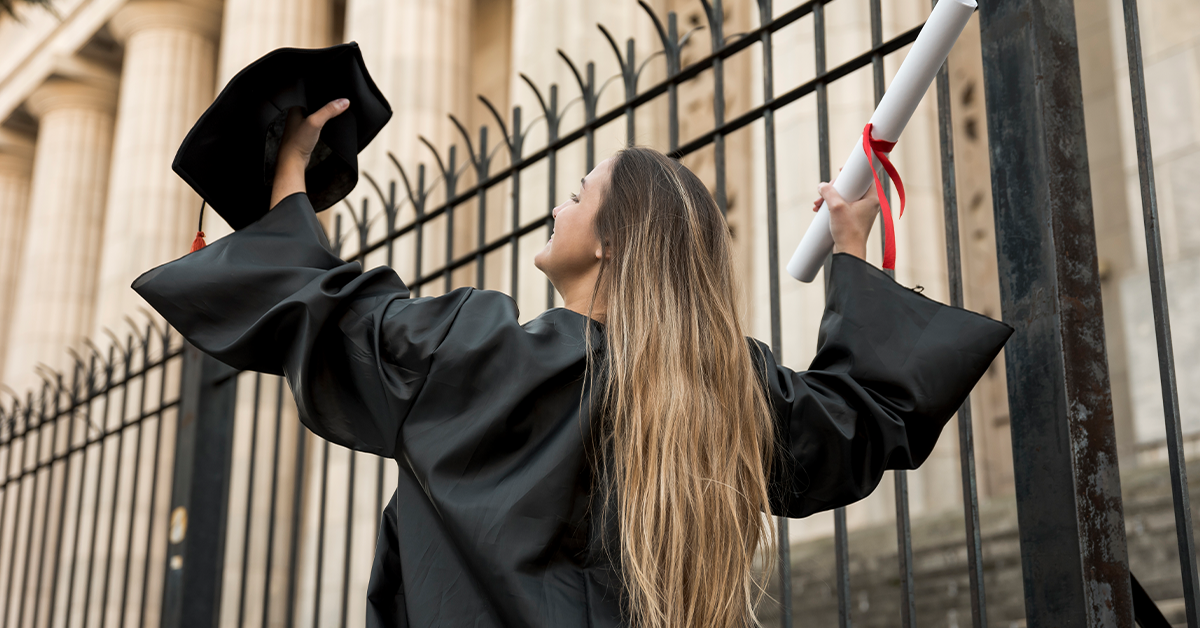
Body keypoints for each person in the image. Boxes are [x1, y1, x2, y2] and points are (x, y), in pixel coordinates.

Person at [134, 100, 1012, 628]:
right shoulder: (730, 395)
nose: (559, 204)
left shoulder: (488, 355)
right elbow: (868, 413)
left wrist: (290, 173)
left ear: (613, 241)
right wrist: (853, 262)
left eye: (579, 192)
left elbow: (331, 315)